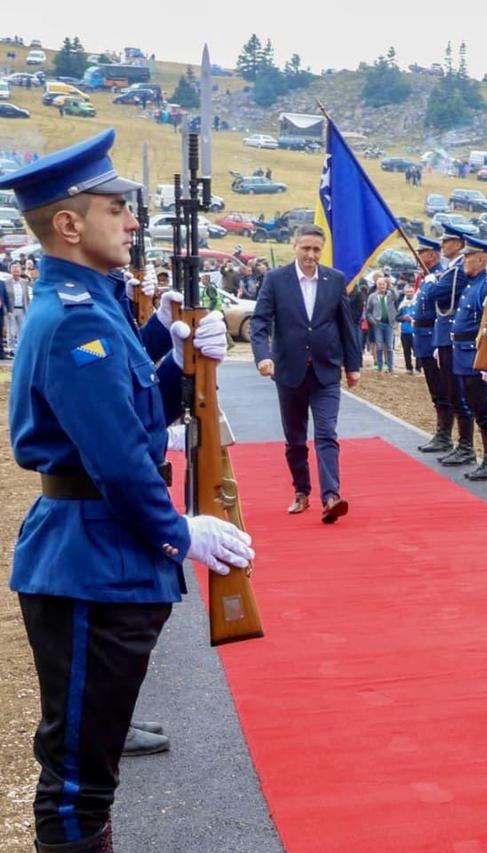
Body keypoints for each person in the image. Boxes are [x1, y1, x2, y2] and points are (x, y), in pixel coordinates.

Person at [0, 128, 251, 853]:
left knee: (94, 761)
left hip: (99, 552)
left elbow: (130, 409)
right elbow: (114, 457)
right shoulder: (77, 318)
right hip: (91, 560)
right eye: (116, 208)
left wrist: (174, 360)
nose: (133, 221)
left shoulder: (94, 302)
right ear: (69, 224)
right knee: (78, 780)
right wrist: (179, 532)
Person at [250, 224, 362, 523]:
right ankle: (301, 491)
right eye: (306, 248)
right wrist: (263, 356)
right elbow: (259, 322)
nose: (311, 255)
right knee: (296, 438)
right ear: (294, 246)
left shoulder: (334, 279)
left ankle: (331, 497)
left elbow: (346, 325)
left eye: (316, 249)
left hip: (326, 371)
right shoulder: (276, 279)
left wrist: (353, 366)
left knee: (326, 433)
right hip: (289, 372)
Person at [448, 234, 487, 481]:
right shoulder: (473, 284)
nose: (464, 261)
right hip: (464, 354)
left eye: (468, 256)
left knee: (485, 409)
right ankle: (486, 459)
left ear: (481, 259)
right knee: (475, 407)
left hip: (478, 355)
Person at [425, 225, 476, 465]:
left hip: (453, 337)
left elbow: (434, 294)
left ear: (459, 243)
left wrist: (431, 284)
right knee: (450, 392)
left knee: (458, 394)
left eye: (447, 241)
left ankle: (466, 446)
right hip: (445, 336)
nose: (442, 245)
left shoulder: (458, 271)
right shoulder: (451, 270)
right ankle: (457, 442)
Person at [411, 236, 453, 454]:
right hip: (423, 337)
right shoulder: (426, 277)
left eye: (421, 252)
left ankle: (444, 435)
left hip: (432, 336)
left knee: (441, 389)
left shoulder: (439, 276)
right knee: (434, 390)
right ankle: (441, 433)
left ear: (432, 254)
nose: (417, 257)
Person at [364, 274, 397, 373]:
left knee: (389, 346)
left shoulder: (390, 295)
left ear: (386, 285)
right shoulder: (372, 297)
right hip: (378, 324)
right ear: (376, 285)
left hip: (389, 324)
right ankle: (379, 366)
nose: (382, 286)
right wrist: (373, 321)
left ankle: (390, 367)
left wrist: (391, 286)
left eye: (383, 284)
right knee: (379, 346)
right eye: (379, 284)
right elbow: (368, 312)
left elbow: (397, 296)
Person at [397, 281, 417, 373]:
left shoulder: (418, 303)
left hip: (415, 331)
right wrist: (403, 317)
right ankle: (409, 368)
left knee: (417, 350)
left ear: (414, 292)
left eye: (411, 291)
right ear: (405, 293)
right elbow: (397, 317)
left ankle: (418, 367)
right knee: (406, 351)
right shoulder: (402, 304)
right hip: (405, 331)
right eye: (408, 292)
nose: (409, 293)